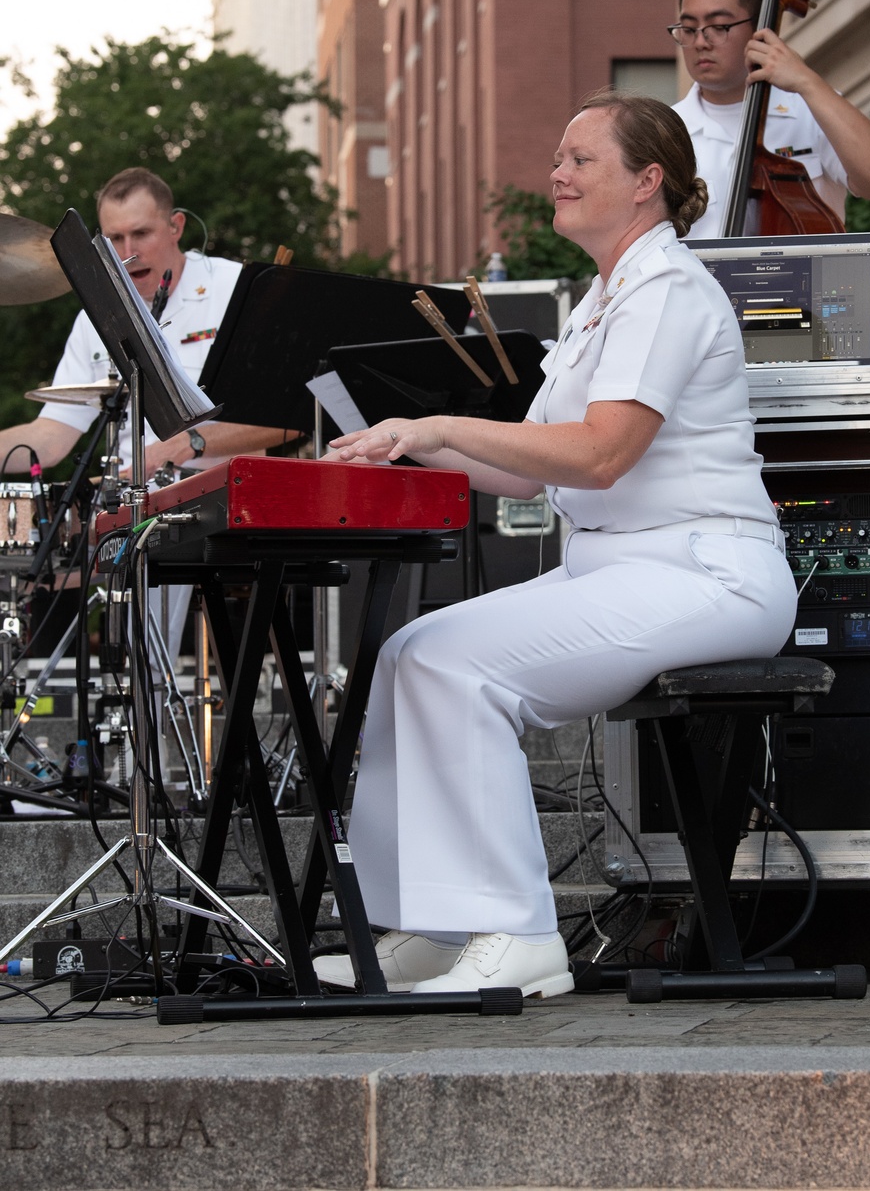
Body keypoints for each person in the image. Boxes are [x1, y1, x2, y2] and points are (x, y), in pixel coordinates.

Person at [314, 89, 799, 998]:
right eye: (559, 157)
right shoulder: (602, 299)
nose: (558, 173)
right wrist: (402, 448)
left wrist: (438, 422)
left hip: (707, 572)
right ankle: (438, 919)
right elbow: (528, 475)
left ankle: (521, 935)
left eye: (582, 159)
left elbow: (603, 455)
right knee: (410, 654)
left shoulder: (667, 289)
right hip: (628, 568)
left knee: (461, 665)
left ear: (648, 181)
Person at [0, 167, 289, 481]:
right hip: (129, 513)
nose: (128, 253)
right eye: (115, 238)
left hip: (225, 505)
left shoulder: (236, 287)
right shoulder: (93, 318)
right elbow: (51, 437)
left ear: (175, 226)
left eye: (141, 234)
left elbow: (287, 418)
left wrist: (191, 442)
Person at [670, 0, 870, 238]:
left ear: (760, 29)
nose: (699, 42)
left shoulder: (811, 107)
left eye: (718, 27)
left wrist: (805, 80)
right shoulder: (664, 131)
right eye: (688, 28)